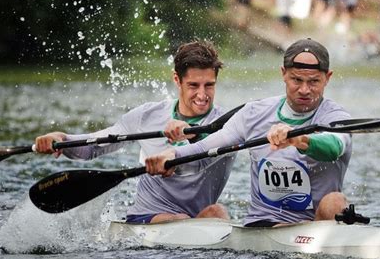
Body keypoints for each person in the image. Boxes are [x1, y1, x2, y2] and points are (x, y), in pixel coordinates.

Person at [147, 39, 352, 227]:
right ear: (283, 74)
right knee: (215, 213)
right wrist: (172, 156)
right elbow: (207, 148)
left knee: (335, 202)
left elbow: (334, 147)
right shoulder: (254, 113)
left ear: (328, 78)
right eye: (296, 80)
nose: (305, 90)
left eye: (314, 81)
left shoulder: (336, 117)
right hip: (263, 227)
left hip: (315, 227)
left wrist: (300, 139)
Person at [34, 40, 235, 224]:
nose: (202, 94)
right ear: (177, 79)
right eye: (193, 85)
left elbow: (195, 163)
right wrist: (61, 139)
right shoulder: (147, 116)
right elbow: (94, 146)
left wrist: (193, 133)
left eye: (209, 85)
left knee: (216, 213)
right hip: (147, 218)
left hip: (194, 219)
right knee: (185, 219)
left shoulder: (227, 125)